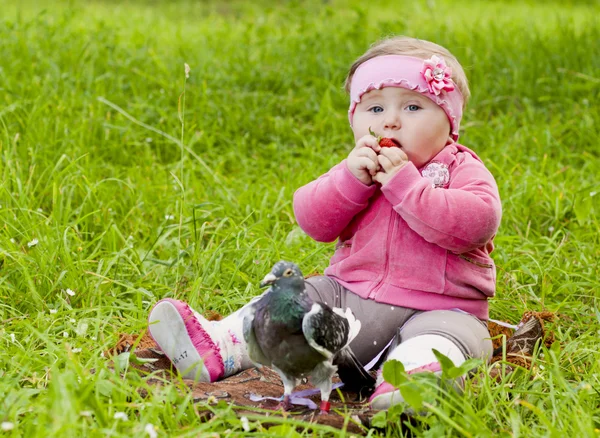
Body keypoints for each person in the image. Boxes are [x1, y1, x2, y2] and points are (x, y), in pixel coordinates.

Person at [148, 36, 502, 411]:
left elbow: (475, 225)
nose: (391, 121)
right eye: (375, 108)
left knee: (445, 339)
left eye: (413, 107)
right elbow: (313, 220)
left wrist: (407, 186)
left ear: (449, 122)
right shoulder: (359, 169)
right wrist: (350, 180)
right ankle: (222, 346)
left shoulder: (460, 171)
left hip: (442, 310)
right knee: (299, 299)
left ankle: (412, 383)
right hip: (350, 301)